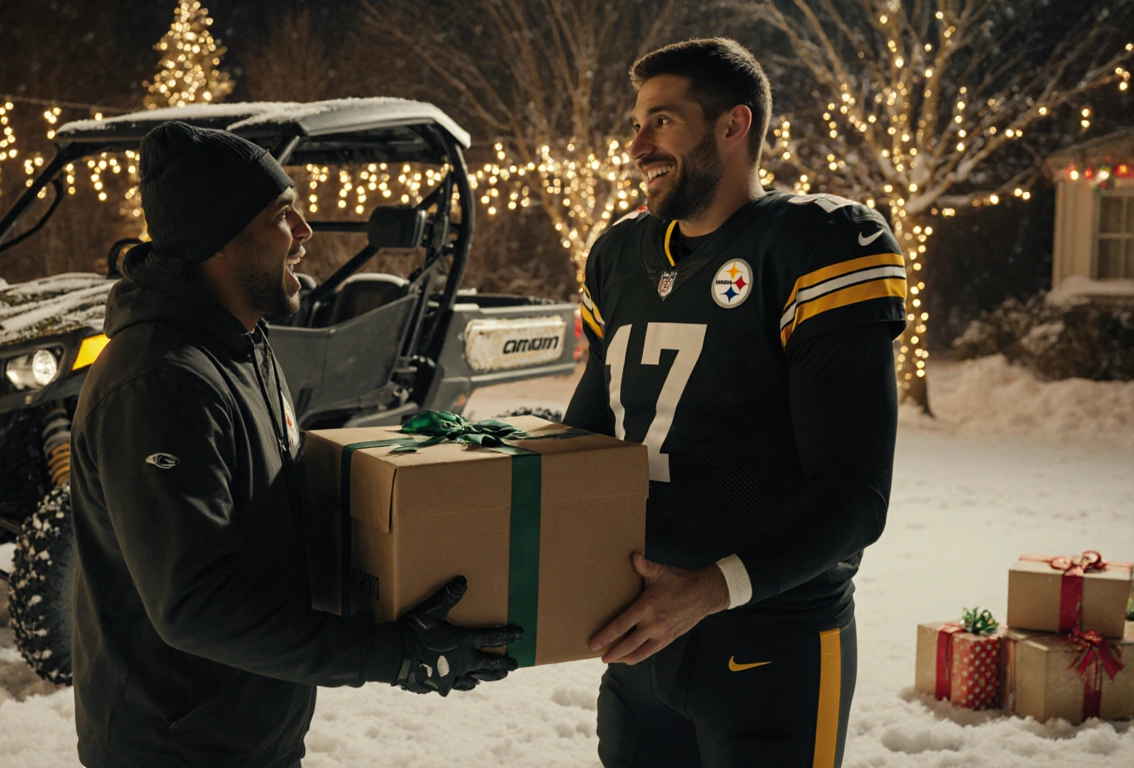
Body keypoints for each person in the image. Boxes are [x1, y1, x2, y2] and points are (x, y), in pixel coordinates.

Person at [70, 121, 521, 768]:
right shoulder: (161, 383)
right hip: (178, 746)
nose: (306, 233)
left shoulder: (242, 345)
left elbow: (274, 508)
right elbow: (196, 606)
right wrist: (391, 654)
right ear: (221, 237)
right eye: (285, 215)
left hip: (249, 733)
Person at [564, 39, 905, 768]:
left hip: (770, 642)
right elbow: (585, 438)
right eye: (636, 122)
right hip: (640, 642)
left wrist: (708, 590)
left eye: (662, 121)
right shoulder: (621, 254)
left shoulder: (818, 243)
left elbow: (855, 497)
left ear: (732, 125)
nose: (636, 144)